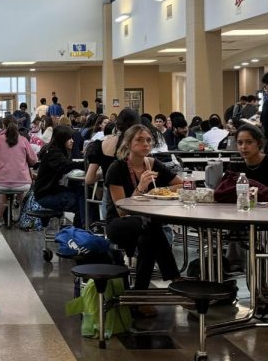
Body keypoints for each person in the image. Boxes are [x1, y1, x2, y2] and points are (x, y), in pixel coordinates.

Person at [104, 125, 183, 293]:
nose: (145, 144)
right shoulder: (117, 168)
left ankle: (140, 293)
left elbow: (180, 184)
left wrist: (160, 191)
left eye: (148, 140)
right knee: (150, 228)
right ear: (128, 143)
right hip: (118, 223)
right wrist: (141, 187)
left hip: (146, 223)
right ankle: (174, 277)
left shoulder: (153, 164)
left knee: (148, 237)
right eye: (139, 140)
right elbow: (121, 210)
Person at [0, 120, 38, 228]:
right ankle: (25, 217)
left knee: (2, 192)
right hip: (22, 182)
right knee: (21, 192)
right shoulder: (23, 140)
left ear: (3, 127)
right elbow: (33, 160)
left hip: (0, 182)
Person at [31, 124, 85, 224]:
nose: (72, 141)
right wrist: (85, 164)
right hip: (46, 195)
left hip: (50, 191)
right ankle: (78, 232)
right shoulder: (53, 153)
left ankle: (79, 230)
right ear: (61, 139)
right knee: (81, 204)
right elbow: (65, 166)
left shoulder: (55, 150)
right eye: (69, 139)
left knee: (82, 195)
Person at [233, 124, 268, 192]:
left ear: (259, 143)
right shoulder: (234, 165)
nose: (243, 147)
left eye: (249, 142)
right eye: (240, 143)